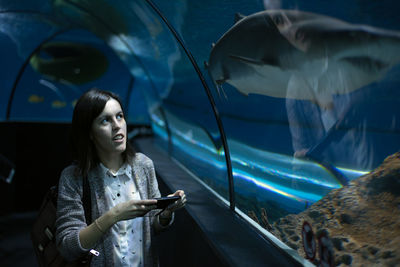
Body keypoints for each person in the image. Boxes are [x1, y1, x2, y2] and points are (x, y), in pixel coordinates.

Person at [56, 89, 186, 266]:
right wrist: (114, 215)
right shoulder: (74, 177)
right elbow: (67, 246)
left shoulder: (143, 165)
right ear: (89, 133)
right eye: (105, 120)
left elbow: (153, 226)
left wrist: (166, 212)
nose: (117, 125)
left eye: (119, 116)